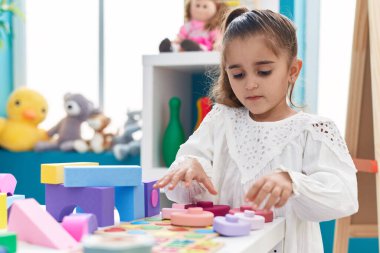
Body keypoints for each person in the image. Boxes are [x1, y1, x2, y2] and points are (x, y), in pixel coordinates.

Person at [154, 8, 358, 253]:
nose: (250, 84)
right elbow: (180, 190)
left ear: (292, 70)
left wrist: (293, 182)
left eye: (264, 71)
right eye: (238, 74)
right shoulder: (220, 120)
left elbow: (344, 197)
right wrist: (189, 168)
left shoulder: (312, 131)